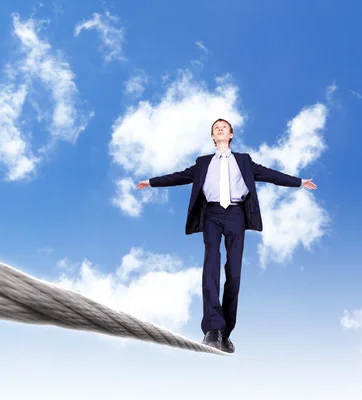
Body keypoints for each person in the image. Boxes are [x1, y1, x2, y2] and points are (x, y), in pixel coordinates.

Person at [136, 118, 317, 353]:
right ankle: (212, 329)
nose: (219, 129)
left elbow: (271, 175)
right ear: (213, 137)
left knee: (234, 272)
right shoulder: (202, 163)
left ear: (231, 134)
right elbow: (179, 176)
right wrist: (151, 182)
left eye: (223, 127)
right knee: (211, 264)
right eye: (215, 128)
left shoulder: (244, 160)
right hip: (211, 213)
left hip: (236, 214)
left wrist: (300, 182)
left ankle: (226, 333)